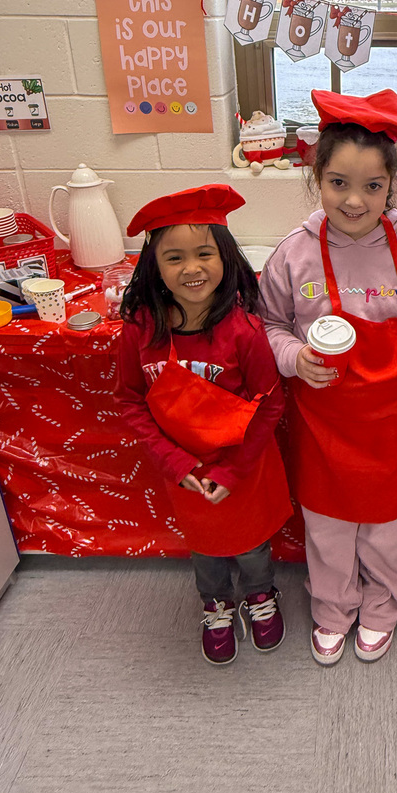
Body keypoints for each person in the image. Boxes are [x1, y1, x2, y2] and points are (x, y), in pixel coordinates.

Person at [259, 89, 397, 665]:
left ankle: (382, 607)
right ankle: (332, 609)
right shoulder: (292, 256)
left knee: (387, 533)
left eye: (373, 186)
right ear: (316, 176)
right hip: (323, 426)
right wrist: (295, 358)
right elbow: (269, 327)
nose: (354, 200)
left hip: (395, 429)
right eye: (338, 182)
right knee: (327, 532)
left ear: (391, 186)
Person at [115, 184, 292, 666]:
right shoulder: (140, 330)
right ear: (154, 264)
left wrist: (232, 471)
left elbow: (270, 407)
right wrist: (174, 461)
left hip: (243, 467)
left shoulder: (245, 332)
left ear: (226, 257)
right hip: (185, 472)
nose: (191, 268)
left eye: (203, 253)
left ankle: (260, 595)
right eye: (174, 257)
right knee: (206, 551)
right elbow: (131, 401)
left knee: (253, 547)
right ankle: (216, 605)